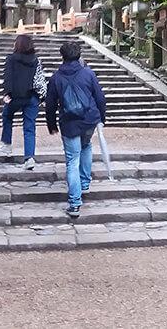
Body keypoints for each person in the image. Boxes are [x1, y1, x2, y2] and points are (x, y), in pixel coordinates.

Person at [45, 41, 106, 218]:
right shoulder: (88, 73)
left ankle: (74, 203)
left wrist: (51, 124)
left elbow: (50, 105)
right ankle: (85, 182)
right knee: (86, 145)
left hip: (69, 122)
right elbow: (100, 97)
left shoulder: (56, 78)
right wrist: (101, 118)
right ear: (79, 55)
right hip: (89, 119)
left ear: (62, 56)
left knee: (72, 159)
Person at [0, 34, 47, 169]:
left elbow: (8, 77)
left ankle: (6, 143)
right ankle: (29, 158)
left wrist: (7, 93)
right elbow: (39, 79)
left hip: (15, 96)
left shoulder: (11, 59)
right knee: (29, 127)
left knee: (7, 116)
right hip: (32, 96)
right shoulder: (35, 60)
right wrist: (42, 97)